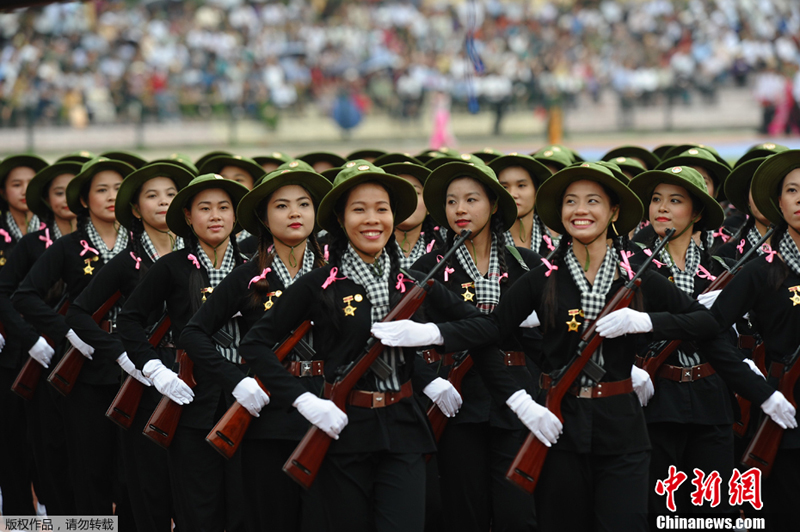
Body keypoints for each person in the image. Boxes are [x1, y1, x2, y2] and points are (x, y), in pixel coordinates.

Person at [372, 162, 722, 531]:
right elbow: (492, 328)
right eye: (571, 201)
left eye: (592, 201)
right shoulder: (538, 277)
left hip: (613, 424)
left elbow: (704, 321)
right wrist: (433, 339)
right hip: (529, 415)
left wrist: (647, 323)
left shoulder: (624, 275)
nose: (580, 210)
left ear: (613, 211)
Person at [238, 160, 487, 532]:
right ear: (340, 220)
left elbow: (485, 325)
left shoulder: (412, 283)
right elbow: (255, 344)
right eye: (359, 209)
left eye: (381, 209)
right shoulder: (319, 284)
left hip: (403, 426)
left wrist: (432, 334)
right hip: (341, 428)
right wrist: (303, 400)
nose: (372, 219)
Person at [627, 165, 794, 523]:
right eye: (656, 199)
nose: (662, 208)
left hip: (711, 396)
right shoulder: (632, 266)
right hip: (657, 398)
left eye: (675, 200)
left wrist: (754, 380)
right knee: (662, 512)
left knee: (714, 513)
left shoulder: (722, 265)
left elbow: (734, 334)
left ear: (698, 212)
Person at [181, 164, 330, 532]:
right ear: (263, 218)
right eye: (281, 206)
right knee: (270, 516)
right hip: (267, 413)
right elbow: (193, 333)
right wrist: (235, 381)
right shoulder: (249, 275)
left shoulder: (336, 272)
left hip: (327, 407)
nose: (294, 213)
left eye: (304, 204)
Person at [64, 161, 194, 531]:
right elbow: (79, 312)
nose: (163, 202)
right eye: (152, 196)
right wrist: (120, 354)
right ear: (136, 210)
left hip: (194, 374)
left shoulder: (199, 257)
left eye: (171, 195)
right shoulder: (128, 262)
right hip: (146, 374)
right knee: (147, 484)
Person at [116, 173, 250, 532]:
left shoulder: (255, 266)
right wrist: (154, 370)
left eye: (224, 207)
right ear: (188, 217)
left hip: (248, 400)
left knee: (245, 508)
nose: (216, 215)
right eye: (204, 208)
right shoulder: (172, 267)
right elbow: (128, 321)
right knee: (197, 509)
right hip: (193, 399)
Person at [414, 158, 541, 532]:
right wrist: (429, 380)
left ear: (494, 205)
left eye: (471, 200)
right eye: (452, 202)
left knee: (517, 513)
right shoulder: (428, 269)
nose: (460, 210)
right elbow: (413, 335)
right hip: (458, 398)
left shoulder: (529, 266)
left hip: (518, 394)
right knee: (463, 511)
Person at [11, 156, 135, 519]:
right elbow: (24, 295)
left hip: (137, 366)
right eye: (101, 190)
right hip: (86, 369)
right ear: (84, 201)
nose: (111, 196)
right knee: (88, 467)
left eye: (117, 189)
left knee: (131, 471)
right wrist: (66, 331)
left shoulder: (142, 246)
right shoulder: (68, 246)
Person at [712, 149, 800, 530]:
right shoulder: (761, 270)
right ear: (778, 203)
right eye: (793, 191)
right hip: (786, 411)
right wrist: (756, 386)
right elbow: (710, 331)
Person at [0, 159, 78, 517]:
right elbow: (9, 292)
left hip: (81, 355)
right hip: (27, 351)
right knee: (23, 441)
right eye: (59, 192)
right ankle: (25, 518)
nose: (67, 199)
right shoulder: (34, 243)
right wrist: (29, 337)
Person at [377, 162, 442, 268]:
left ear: (429, 206)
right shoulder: (370, 251)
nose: (407, 200)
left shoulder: (445, 253)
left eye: (415, 193)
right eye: (398, 193)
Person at [488, 153, 555, 256]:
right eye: (504, 187)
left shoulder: (556, 241)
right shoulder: (486, 241)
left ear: (536, 191)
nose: (512, 194)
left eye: (521, 185)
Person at [0, 154, 49, 269]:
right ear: (3, 192)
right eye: (17, 185)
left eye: (31, 184)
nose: (25, 191)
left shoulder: (53, 227)